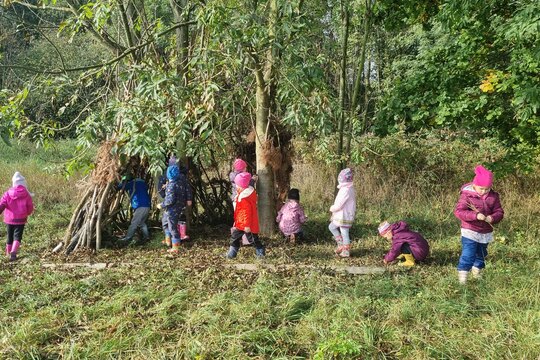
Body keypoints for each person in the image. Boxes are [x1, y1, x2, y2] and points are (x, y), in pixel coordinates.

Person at [454, 165, 504, 284]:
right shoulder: (467, 195)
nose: (484, 191)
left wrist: (492, 218)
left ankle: (477, 273)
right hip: (470, 229)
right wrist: (475, 216)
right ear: (474, 185)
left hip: (485, 231)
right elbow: (459, 212)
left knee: (481, 253)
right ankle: (463, 278)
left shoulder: (493, 196)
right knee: (469, 253)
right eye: (481, 188)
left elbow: (499, 211)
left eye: (487, 188)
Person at [226, 172, 265, 259]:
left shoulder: (244, 198)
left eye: (237, 185)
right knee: (234, 238)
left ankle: (260, 251)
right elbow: (239, 212)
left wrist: (247, 225)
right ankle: (231, 254)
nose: (236, 187)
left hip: (248, 225)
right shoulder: (243, 193)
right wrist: (236, 222)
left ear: (242, 186)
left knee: (253, 240)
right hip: (240, 224)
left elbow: (246, 213)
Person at [157, 164, 192, 254]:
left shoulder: (172, 186)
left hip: (172, 209)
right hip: (176, 208)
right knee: (165, 222)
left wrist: (162, 205)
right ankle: (168, 240)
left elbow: (170, 200)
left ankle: (175, 247)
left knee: (172, 227)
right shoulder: (177, 183)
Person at [0, 172, 34, 261]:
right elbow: (30, 206)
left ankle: (8, 252)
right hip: (21, 219)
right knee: (17, 236)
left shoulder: (7, 193)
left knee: (9, 236)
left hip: (9, 219)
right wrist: (28, 213)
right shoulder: (26, 194)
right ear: (23, 184)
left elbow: (2, 204)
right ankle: (13, 253)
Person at [329, 168, 356, 257]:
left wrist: (332, 208)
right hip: (341, 215)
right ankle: (341, 245)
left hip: (344, 215)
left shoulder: (346, 190)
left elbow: (339, 204)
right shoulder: (347, 188)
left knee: (344, 232)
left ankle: (346, 250)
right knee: (332, 227)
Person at [118, 174, 151, 245]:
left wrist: (121, 182)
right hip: (147, 205)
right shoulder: (142, 183)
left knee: (134, 223)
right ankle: (146, 237)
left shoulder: (132, 183)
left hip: (140, 206)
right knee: (141, 223)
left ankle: (128, 238)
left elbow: (120, 187)